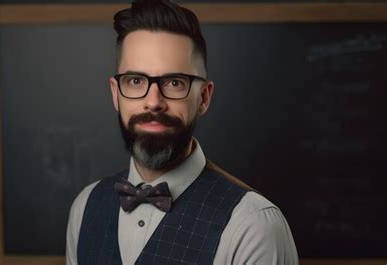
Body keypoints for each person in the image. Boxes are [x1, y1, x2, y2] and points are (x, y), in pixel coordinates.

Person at [66, 0, 298, 264]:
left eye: (174, 82)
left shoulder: (253, 226)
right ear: (116, 94)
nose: (153, 101)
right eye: (135, 81)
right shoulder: (84, 208)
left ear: (204, 97)